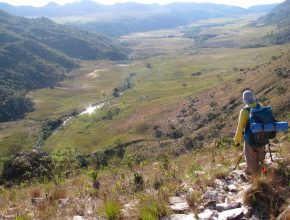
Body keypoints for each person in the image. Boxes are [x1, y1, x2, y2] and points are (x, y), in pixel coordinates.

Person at [234, 90, 265, 176]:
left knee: (251, 159)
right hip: (262, 138)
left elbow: (240, 127)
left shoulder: (244, 111)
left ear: (244, 100)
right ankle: (264, 173)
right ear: (253, 97)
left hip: (250, 140)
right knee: (261, 158)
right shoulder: (261, 106)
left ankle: (255, 179)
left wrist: (237, 141)